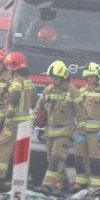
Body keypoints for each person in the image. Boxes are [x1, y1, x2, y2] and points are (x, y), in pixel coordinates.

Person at [0, 52, 36, 188]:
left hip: (13, 122)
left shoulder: (16, 81)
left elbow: (15, 97)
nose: (7, 68)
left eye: (8, 65)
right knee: (19, 151)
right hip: (25, 123)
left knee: (3, 147)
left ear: (14, 66)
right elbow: (33, 101)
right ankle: (16, 179)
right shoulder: (29, 81)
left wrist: (9, 113)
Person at [34, 60, 83, 193]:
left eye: (55, 78)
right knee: (53, 160)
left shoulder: (73, 92)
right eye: (52, 78)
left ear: (63, 77)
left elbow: (80, 113)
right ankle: (64, 184)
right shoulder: (48, 90)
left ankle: (47, 185)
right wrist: (32, 120)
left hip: (64, 134)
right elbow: (38, 106)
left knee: (56, 159)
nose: (53, 81)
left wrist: (81, 132)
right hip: (50, 133)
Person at [74, 63, 100, 190]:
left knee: (95, 160)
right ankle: (80, 182)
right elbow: (76, 111)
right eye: (88, 76)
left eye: (93, 76)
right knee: (79, 158)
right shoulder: (80, 92)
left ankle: (95, 185)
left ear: (97, 77)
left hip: (95, 133)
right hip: (81, 132)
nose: (90, 79)